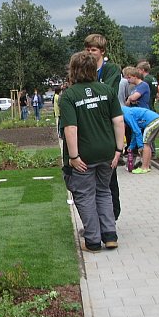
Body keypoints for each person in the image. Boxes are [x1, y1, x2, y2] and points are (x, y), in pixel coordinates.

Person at [59, 50, 125, 252]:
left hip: (84, 155)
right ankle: (110, 235)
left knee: (85, 195)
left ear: (73, 70)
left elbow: (71, 128)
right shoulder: (107, 91)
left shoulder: (69, 96)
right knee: (104, 192)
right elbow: (119, 121)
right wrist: (118, 150)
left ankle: (93, 240)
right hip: (107, 152)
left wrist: (73, 156)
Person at [84, 33, 123, 220]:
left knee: (109, 176)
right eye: (88, 49)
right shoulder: (84, 69)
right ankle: (97, 219)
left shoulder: (111, 70)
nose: (90, 53)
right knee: (90, 181)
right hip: (89, 128)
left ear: (102, 51)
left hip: (107, 125)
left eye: (94, 50)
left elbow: (109, 93)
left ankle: (112, 215)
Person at [121, 106, 159, 174]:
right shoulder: (127, 112)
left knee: (145, 144)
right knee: (147, 144)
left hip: (152, 121)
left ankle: (144, 167)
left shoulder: (126, 115)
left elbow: (137, 131)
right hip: (157, 120)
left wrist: (140, 146)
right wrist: (131, 146)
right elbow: (135, 132)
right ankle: (147, 166)